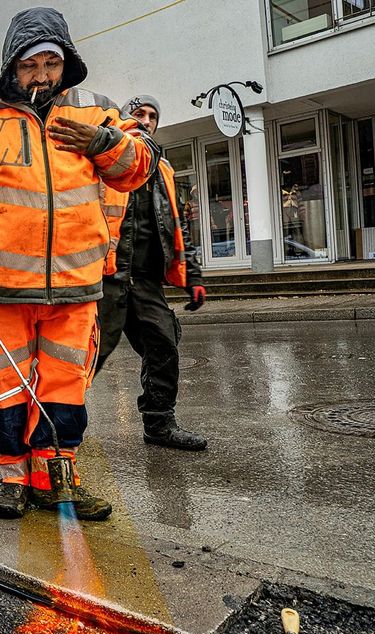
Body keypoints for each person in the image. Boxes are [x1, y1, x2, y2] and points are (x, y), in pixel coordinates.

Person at [0, 8, 156, 521]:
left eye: (52, 62)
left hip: (75, 285)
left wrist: (104, 142)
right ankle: (11, 478)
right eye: (31, 65)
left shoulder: (98, 112)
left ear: (67, 62)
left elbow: (138, 168)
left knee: (63, 388)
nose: (42, 75)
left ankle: (54, 481)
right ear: (11, 65)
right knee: (6, 388)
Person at [94, 95, 207, 452]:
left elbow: (177, 225)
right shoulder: (102, 159)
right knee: (82, 358)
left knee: (164, 345)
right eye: (138, 113)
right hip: (104, 276)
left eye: (152, 116)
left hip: (143, 279)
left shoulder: (165, 170)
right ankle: (41, 432)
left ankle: (159, 424)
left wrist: (193, 275)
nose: (145, 120)